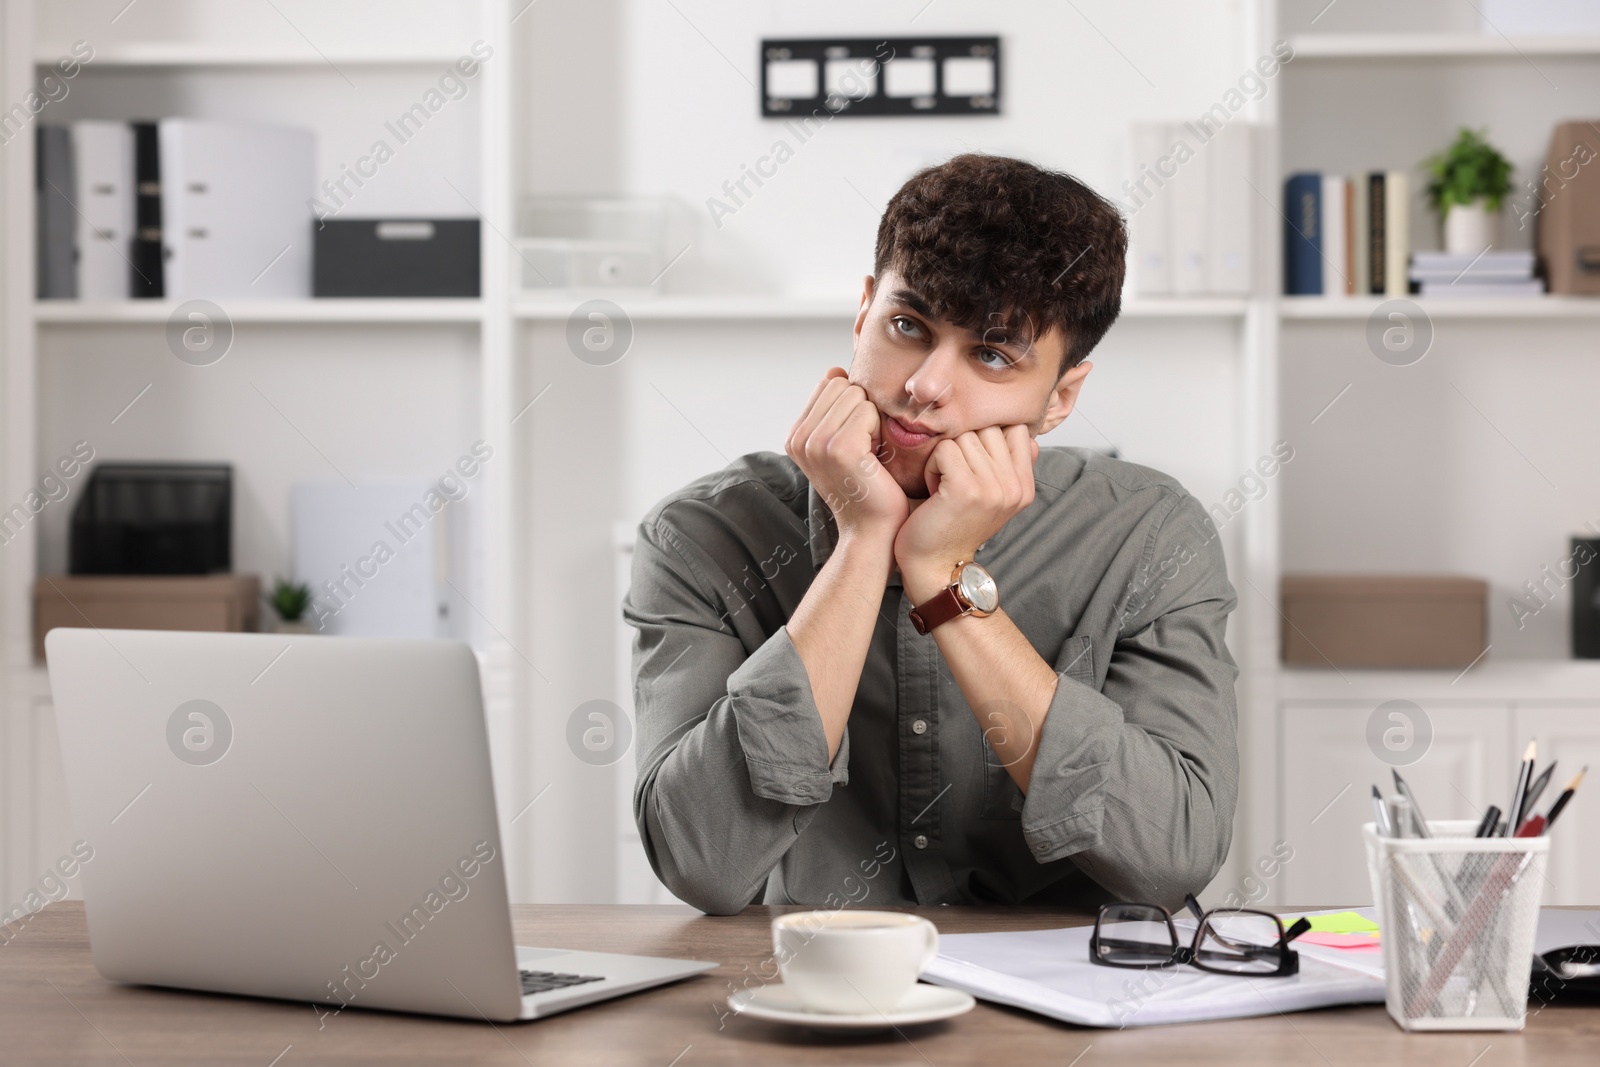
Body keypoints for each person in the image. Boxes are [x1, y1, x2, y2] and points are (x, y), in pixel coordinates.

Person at [623, 153, 1239, 915]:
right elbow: (703, 862)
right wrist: (861, 545)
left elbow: (1169, 860)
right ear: (862, 312)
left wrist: (945, 578)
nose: (926, 386)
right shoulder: (700, 536)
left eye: (990, 353)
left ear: (1061, 396)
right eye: (908, 325)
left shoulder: (1150, 534)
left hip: (1068, 1018)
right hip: (811, 1001)